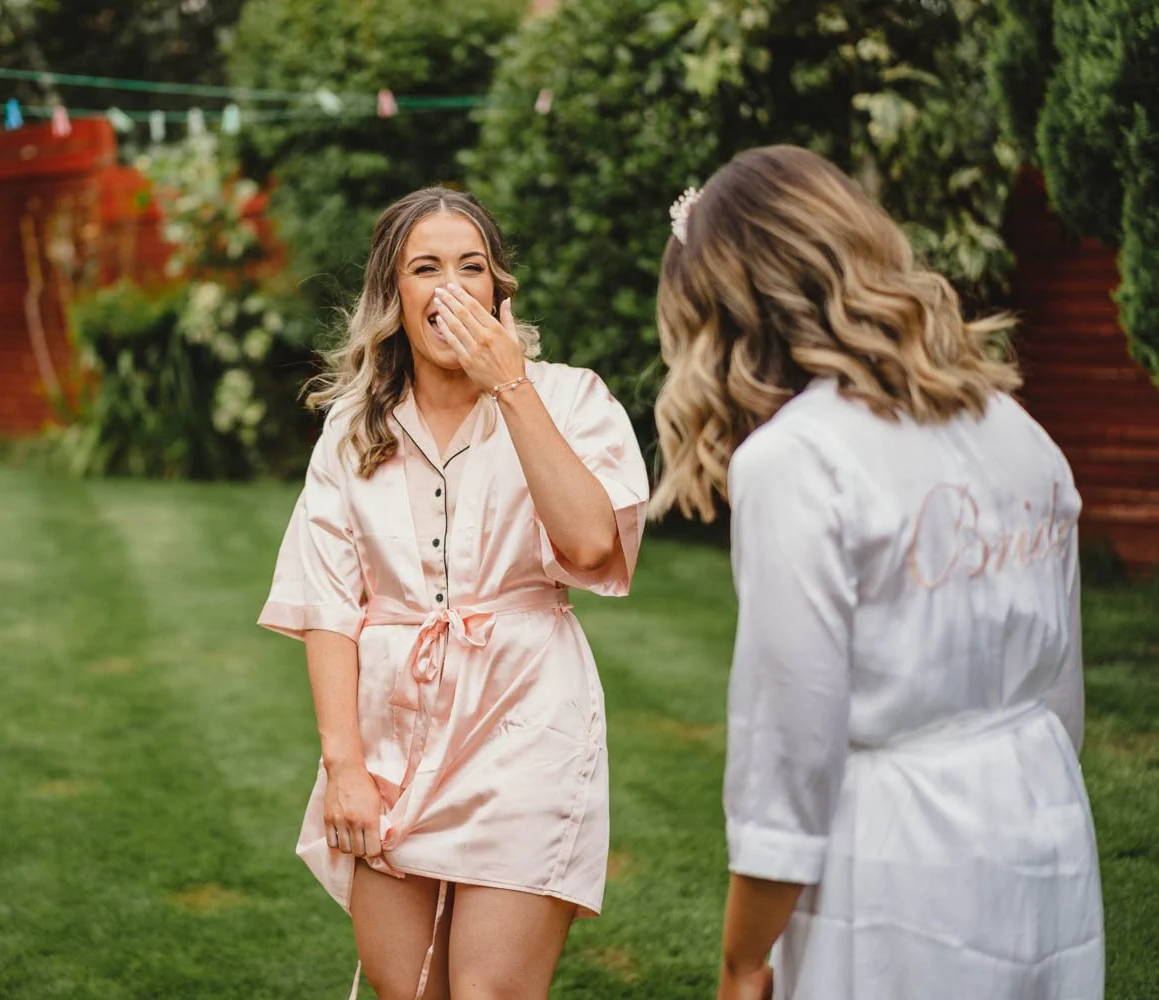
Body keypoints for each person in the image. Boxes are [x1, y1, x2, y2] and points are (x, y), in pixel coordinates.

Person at [651, 145, 1104, 1000]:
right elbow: (1062, 695)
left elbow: (789, 749)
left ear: (725, 306)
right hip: (1044, 824)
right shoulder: (1013, 424)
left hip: (900, 860)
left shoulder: (798, 459)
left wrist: (744, 957)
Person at [258, 187, 649, 999]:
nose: (451, 289)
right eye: (425, 268)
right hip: (390, 734)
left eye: (471, 268)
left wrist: (511, 387)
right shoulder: (353, 427)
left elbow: (586, 544)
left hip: (527, 717)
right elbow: (330, 606)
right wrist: (345, 768)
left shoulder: (571, 398)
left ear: (499, 289)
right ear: (391, 294)